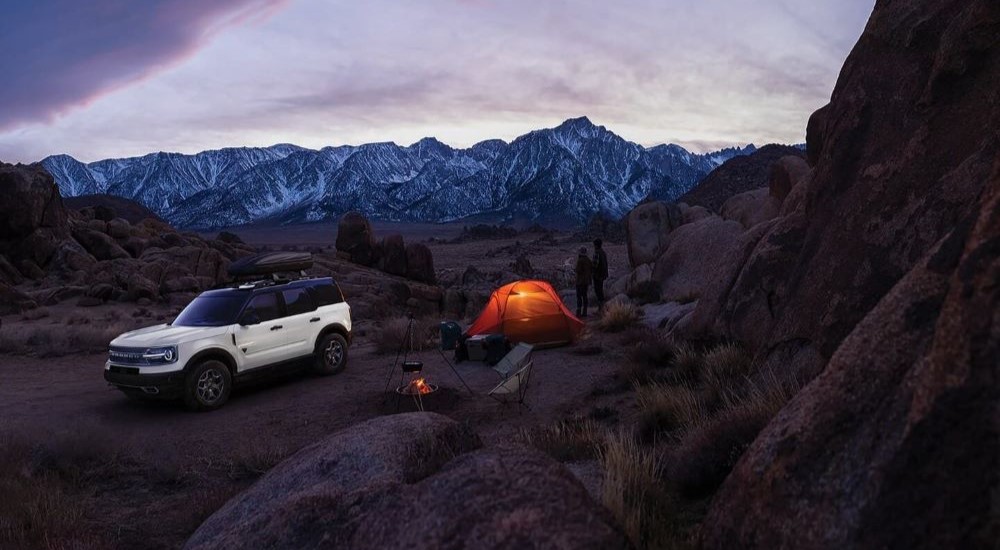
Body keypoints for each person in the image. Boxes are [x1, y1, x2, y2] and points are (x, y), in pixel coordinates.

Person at [574, 246, 593, 317]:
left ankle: (578, 312)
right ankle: (585, 311)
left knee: (579, 296)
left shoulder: (580, 260)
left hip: (580, 281)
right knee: (585, 296)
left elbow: (578, 270)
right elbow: (591, 269)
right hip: (587, 281)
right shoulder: (588, 260)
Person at [592, 238, 609, 311]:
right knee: (600, 289)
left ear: (596, 245)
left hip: (597, 275)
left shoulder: (597, 253)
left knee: (598, 290)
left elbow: (595, 265)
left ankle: (601, 308)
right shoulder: (603, 252)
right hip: (603, 274)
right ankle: (602, 307)